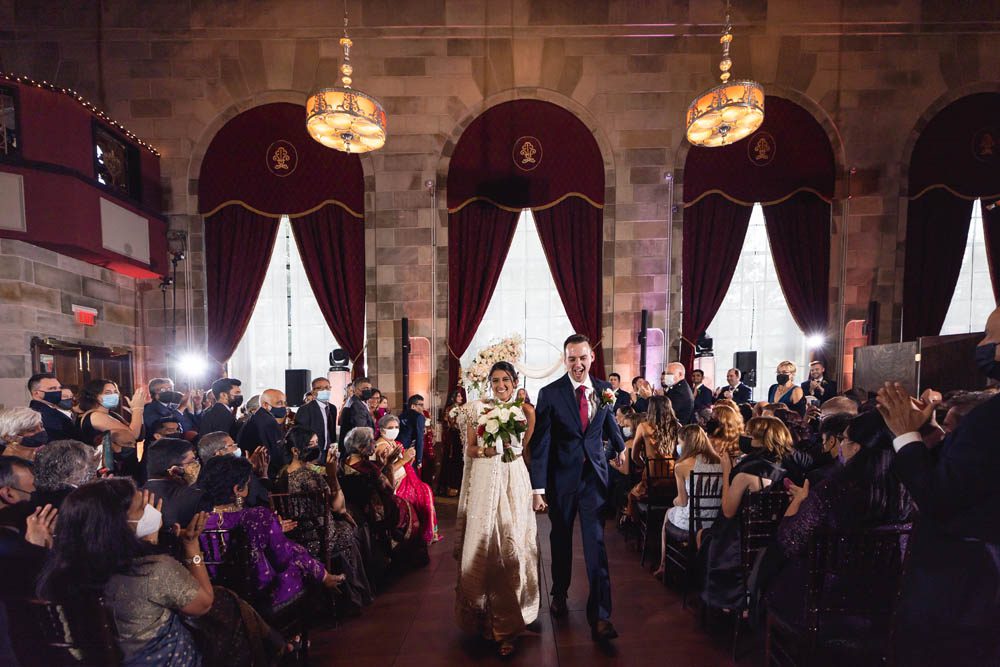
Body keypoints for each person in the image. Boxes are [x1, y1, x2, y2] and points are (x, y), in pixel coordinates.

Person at [875, 306, 1000, 666]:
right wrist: (927, 434)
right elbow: (969, 475)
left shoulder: (991, 418)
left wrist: (906, 436)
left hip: (967, 590)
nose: (982, 344)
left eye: (991, 336)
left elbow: (940, 497)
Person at [36, 477, 214, 666]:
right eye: (142, 508)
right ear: (116, 525)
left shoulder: (56, 574)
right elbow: (202, 605)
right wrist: (191, 547)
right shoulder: (153, 570)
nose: (152, 511)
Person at [761, 410, 913, 627]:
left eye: (845, 439)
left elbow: (789, 541)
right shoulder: (907, 492)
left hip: (823, 603)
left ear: (857, 448)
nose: (840, 446)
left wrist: (800, 500)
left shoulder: (832, 490)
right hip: (887, 606)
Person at [529, 334, 626, 642]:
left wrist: (620, 447)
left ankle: (600, 615)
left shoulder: (603, 390)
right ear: (565, 359)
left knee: (595, 544)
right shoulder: (550, 393)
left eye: (582, 357)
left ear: (591, 357)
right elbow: (542, 443)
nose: (578, 364)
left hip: (593, 481)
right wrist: (538, 488)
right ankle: (559, 592)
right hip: (562, 481)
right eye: (572, 358)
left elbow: (607, 422)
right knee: (560, 540)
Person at [455, 361, 539, 657]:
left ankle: (511, 624)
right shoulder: (476, 409)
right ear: (488, 382)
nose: (500, 384)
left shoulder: (525, 411)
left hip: (513, 479)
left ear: (515, 381)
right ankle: (483, 617)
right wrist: (484, 450)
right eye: (495, 379)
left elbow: (524, 449)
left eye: (506, 379)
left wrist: (510, 451)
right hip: (484, 481)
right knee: (486, 546)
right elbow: (469, 449)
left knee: (511, 544)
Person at [199, 455, 344, 614]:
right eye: (248, 483)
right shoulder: (258, 517)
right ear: (237, 490)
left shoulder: (197, 523)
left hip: (219, 596)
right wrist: (319, 571)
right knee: (299, 561)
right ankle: (297, 632)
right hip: (261, 594)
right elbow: (283, 558)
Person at [699, 416, 790, 611]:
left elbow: (728, 511)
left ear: (761, 440)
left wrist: (726, 472)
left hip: (738, 540)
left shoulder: (746, 472)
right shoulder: (785, 468)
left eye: (749, 435)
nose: (744, 437)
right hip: (770, 538)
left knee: (705, 537)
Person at [277, 426, 373, 611]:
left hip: (296, 535)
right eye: (310, 444)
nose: (315, 448)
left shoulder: (282, 473)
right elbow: (338, 506)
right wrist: (332, 474)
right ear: (295, 450)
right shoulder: (310, 477)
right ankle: (354, 593)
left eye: (316, 443)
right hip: (319, 537)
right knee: (352, 528)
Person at [341, 427, 426, 571]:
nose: (375, 444)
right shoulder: (368, 468)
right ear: (362, 447)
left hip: (354, 506)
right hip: (375, 510)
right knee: (407, 506)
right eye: (371, 442)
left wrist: (381, 464)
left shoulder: (342, 462)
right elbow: (389, 489)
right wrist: (389, 464)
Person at [654, 424, 722, 579]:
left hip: (693, 522)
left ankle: (664, 565)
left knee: (668, 513)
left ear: (686, 443)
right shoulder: (720, 462)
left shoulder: (682, 466)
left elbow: (683, 501)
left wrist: (674, 501)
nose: (679, 445)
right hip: (715, 521)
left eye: (680, 442)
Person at [375, 414, 439, 545]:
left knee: (425, 489)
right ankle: (417, 534)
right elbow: (386, 470)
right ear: (381, 430)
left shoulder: (394, 443)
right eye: (390, 427)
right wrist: (404, 460)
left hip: (404, 478)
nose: (394, 429)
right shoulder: (381, 446)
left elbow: (403, 463)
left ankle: (424, 532)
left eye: (397, 427)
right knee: (422, 493)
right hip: (394, 484)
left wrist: (409, 458)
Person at [625, 396, 680, 521]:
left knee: (631, 496)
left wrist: (645, 464)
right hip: (674, 481)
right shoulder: (677, 426)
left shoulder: (643, 427)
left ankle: (634, 523)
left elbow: (634, 456)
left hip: (652, 482)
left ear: (651, 409)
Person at [142, 438, 205, 532]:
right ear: (175, 469)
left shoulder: (135, 496)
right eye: (192, 462)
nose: (197, 465)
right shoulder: (195, 497)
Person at [197, 431, 271, 508]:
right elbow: (260, 499)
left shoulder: (203, 480)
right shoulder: (231, 478)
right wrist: (247, 472)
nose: (237, 448)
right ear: (218, 453)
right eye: (232, 445)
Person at [77, 378, 147, 444]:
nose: (114, 395)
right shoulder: (95, 416)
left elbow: (140, 436)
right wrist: (138, 409)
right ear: (94, 396)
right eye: (108, 393)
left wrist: (137, 414)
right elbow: (132, 436)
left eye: (115, 392)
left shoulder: (112, 414)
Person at [31, 439, 98, 509]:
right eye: (85, 467)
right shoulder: (78, 502)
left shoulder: (40, 496)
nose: (90, 471)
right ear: (69, 475)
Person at [237, 388, 286, 479]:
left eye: (284, 403)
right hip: (264, 474)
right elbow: (276, 453)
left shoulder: (256, 418)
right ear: (265, 405)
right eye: (279, 403)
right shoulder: (268, 422)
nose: (283, 407)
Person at [27, 373, 84, 442]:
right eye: (52, 388)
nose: (57, 391)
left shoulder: (51, 410)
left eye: (59, 388)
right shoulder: (41, 414)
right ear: (36, 393)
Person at [293, 377, 338, 458]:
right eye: (320, 388)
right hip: (313, 452)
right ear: (313, 392)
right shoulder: (305, 409)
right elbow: (300, 434)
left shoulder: (332, 408)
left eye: (327, 387)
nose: (325, 390)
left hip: (329, 451)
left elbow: (331, 430)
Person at [437, 387, 468, 497]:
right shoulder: (453, 409)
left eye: (461, 396)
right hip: (454, 438)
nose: (461, 398)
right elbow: (453, 424)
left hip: (458, 437)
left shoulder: (459, 408)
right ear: (453, 397)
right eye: (459, 396)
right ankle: (451, 487)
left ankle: (454, 486)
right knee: (454, 461)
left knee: (457, 461)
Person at [338, 377, 375, 457]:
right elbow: (361, 431)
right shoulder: (357, 406)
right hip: (355, 452)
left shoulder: (355, 402)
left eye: (369, 388)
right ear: (356, 390)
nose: (368, 390)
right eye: (365, 388)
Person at [397, 395, 427, 468]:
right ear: (413, 406)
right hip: (410, 451)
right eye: (421, 405)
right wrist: (419, 459)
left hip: (398, 448)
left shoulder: (401, 415)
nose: (423, 408)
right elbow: (420, 438)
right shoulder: (419, 416)